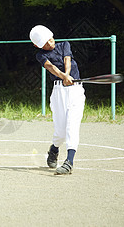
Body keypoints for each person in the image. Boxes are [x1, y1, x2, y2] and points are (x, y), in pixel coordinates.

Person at [29, 25, 85, 175]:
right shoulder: (40, 55)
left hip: (75, 90)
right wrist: (63, 77)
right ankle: (54, 149)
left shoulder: (64, 44)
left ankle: (69, 162)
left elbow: (67, 59)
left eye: (50, 39)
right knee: (60, 132)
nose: (50, 43)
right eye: (45, 43)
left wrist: (67, 74)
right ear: (37, 45)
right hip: (58, 92)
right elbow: (51, 67)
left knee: (71, 127)